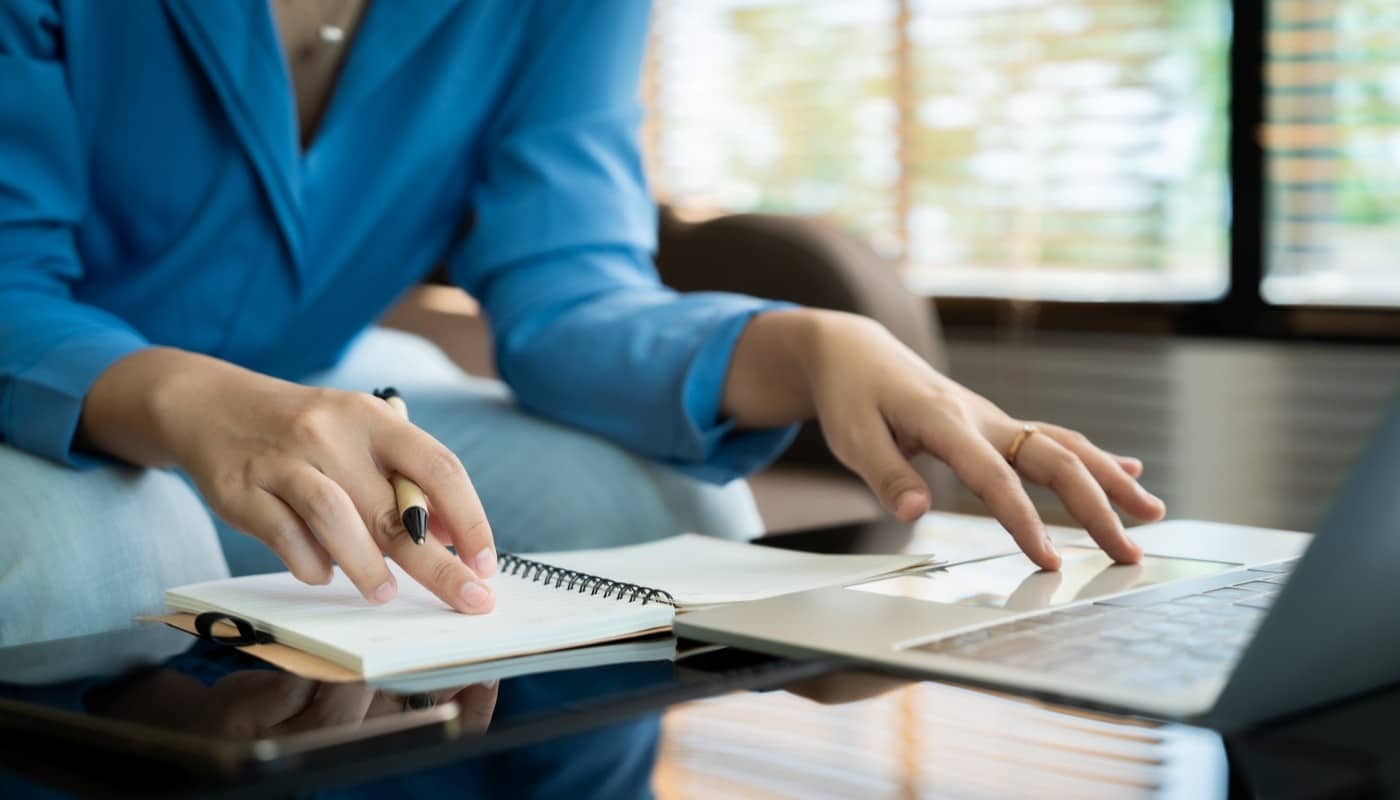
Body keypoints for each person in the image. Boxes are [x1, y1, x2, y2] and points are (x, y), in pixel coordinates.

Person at [0, 0, 1165, 645]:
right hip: (48, 387)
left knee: (664, 507)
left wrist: (814, 346)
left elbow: (568, 290)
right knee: (105, 553)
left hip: (320, 377)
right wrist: (200, 405)